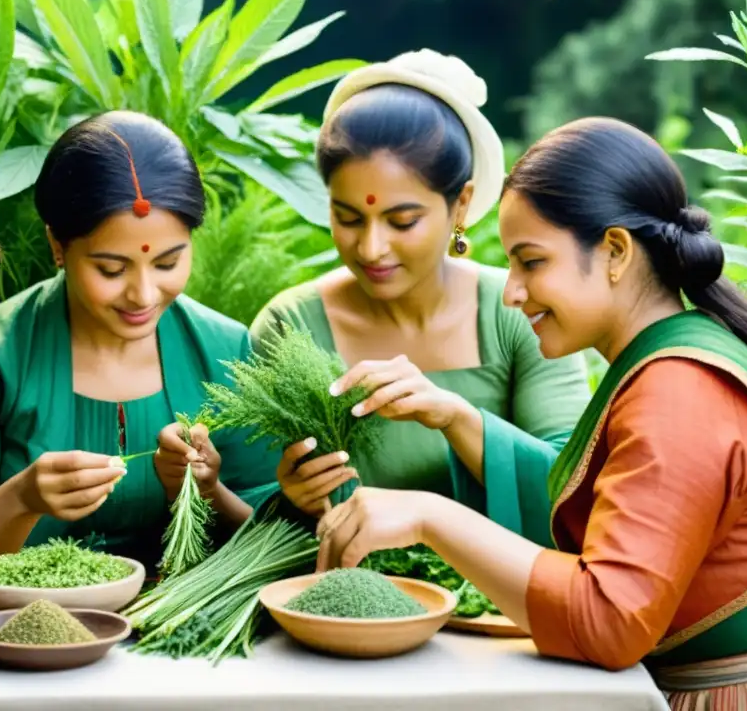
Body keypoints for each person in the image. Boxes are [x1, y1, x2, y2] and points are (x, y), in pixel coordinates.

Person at [316, 117, 747, 707]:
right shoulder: (675, 356)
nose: (511, 292)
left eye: (531, 262)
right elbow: (589, 512)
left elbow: (609, 619)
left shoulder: (678, 393)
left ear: (615, 252)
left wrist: (430, 516)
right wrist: (456, 418)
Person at [251, 49, 589, 535]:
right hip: (346, 604)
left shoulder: (518, 312)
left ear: (461, 204)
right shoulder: (291, 326)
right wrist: (290, 500)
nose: (371, 247)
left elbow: (575, 492)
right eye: (348, 218)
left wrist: (455, 417)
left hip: (497, 607)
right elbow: (246, 500)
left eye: (402, 221)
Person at [0, 111, 281, 565]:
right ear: (57, 245)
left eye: (168, 263)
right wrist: (23, 498)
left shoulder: (226, 352)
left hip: (180, 627)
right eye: (111, 270)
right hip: (15, 626)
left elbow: (275, 542)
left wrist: (207, 490)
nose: (144, 295)